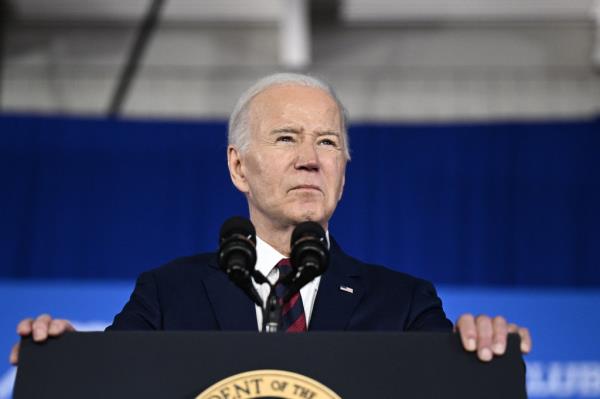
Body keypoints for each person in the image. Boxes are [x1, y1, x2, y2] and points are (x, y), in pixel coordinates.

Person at [10, 73, 531, 365]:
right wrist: (61, 357)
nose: (311, 158)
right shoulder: (168, 295)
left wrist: (479, 348)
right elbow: (106, 383)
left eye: (327, 142)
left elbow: (454, 389)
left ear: (343, 172)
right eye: (286, 138)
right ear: (238, 166)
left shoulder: (405, 304)